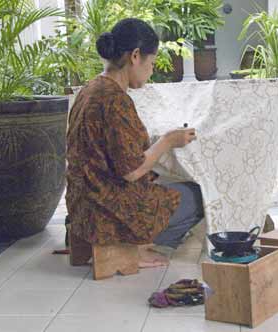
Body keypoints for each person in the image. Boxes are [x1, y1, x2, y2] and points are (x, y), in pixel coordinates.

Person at [65, 18, 204, 269]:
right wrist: (167, 141)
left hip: (82, 203)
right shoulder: (115, 99)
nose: (151, 71)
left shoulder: (90, 90)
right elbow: (131, 171)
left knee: (164, 184)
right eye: (151, 63)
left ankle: (137, 243)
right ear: (136, 56)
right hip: (107, 208)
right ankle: (134, 249)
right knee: (198, 196)